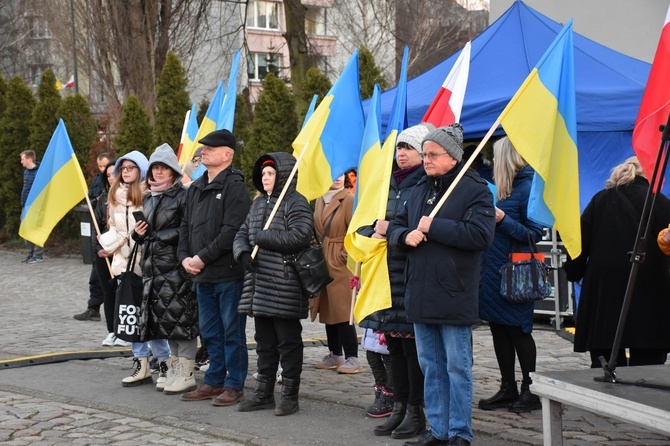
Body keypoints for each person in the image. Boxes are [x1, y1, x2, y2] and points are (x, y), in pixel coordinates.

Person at [387, 123, 495, 446]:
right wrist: (405, 236)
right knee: (431, 368)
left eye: (432, 154)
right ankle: (437, 429)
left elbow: (480, 235)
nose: (426, 159)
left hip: (454, 293)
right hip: (420, 292)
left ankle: (460, 432)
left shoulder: (474, 188)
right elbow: (395, 227)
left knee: (457, 368)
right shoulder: (419, 188)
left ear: (452, 158)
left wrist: (435, 227)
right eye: (425, 154)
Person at [359, 123, 430, 439]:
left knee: (413, 351)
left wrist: (391, 230)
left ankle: (416, 411)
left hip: (411, 275)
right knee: (395, 350)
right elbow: (364, 222)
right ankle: (399, 406)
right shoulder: (385, 184)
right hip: (385, 278)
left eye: (409, 149)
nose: (402, 154)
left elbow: (422, 229)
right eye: (399, 148)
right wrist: (373, 229)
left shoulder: (427, 185)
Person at [564, 156, 670, 369]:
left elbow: (578, 245)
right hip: (650, 289)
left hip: (605, 290)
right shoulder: (661, 202)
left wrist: (575, 273)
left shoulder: (600, 200)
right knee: (649, 364)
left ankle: (608, 397)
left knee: (606, 359)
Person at [233, 152, 313, 416]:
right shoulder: (258, 204)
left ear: (283, 175)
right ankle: (263, 394)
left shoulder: (296, 202)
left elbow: (301, 236)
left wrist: (264, 238)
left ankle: (290, 397)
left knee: (288, 343)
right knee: (264, 342)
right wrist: (242, 252)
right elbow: (243, 232)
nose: (265, 177)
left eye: (270, 173)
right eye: (264, 173)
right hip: (259, 285)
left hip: (285, 284)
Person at [178, 129, 251, 406]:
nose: (203, 151)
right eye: (203, 148)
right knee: (210, 332)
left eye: (210, 148)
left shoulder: (235, 186)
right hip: (201, 274)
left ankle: (234, 384)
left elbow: (232, 230)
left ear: (227, 154)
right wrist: (185, 257)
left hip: (228, 274)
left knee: (232, 331)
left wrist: (203, 258)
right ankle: (214, 380)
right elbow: (185, 225)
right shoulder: (196, 187)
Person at [477, 137, 544, 413]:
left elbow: (534, 235)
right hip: (493, 271)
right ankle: (508, 387)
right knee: (498, 329)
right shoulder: (502, 189)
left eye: (494, 157)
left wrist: (503, 220)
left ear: (504, 158)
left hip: (515, 273)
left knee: (518, 331)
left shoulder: (528, 187)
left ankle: (531, 390)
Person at [133, 144, 198, 394]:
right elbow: (146, 233)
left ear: (173, 172)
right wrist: (138, 234)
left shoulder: (183, 195)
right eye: (154, 169)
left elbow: (185, 229)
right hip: (153, 269)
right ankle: (173, 367)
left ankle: (186, 371)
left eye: (163, 168)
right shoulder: (148, 198)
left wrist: (156, 237)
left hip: (175, 267)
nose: (158, 173)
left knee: (182, 320)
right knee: (164, 321)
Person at [106, 151, 171, 385]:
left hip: (146, 262)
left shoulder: (148, 195)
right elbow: (113, 226)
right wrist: (109, 244)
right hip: (123, 263)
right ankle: (140, 363)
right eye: (123, 167)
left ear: (141, 170)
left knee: (151, 317)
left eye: (131, 167)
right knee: (131, 315)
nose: (126, 171)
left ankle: (164, 362)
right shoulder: (114, 195)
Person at [311, 175, 362, 374]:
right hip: (323, 259)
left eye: (341, 173)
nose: (339, 178)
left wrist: (343, 255)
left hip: (340, 260)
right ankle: (335, 353)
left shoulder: (348, 199)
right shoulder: (319, 199)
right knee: (327, 307)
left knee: (342, 309)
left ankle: (352, 357)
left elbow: (356, 230)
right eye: (333, 174)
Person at [74, 152, 113, 322]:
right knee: (96, 277)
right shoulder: (98, 181)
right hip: (101, 239)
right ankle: (94, 307)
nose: (104, 171)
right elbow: (92, 201)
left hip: (117, 244)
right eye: (101, 167)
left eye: (106, 167)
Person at [93, 160, 122, 347]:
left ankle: (124, 330)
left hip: (121, 252)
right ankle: (112, 331)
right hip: (104, 253)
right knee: (108, 292)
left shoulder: (130, 197)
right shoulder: (102, 199)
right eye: (108, 175)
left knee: (125, 292)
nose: (111, 177)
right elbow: (95, 228)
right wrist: (99, 249)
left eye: (114, 173)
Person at [20, 150, 44, 264]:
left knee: (37, 229)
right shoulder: (26, 172)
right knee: (26, 229)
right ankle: (30, 253)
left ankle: (38, 255)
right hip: (26, 205)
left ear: (29, 159)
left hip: (36, 206)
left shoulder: (40, 173)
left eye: (22, 159)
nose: (21, 162)